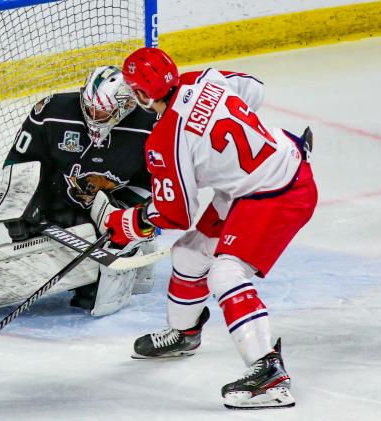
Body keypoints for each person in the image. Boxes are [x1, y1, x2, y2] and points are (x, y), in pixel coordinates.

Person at [98, 48, 317, 409]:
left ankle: (268, 375)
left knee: (226, 272)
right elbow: (253, 89)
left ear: (140, 94)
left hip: (280, 191)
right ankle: (185, 334)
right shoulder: (204, 78)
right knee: (189, 252)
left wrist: (131, 222)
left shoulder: (165, 141)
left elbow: (176, 213)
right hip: (269, 167)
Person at [0, 66, 159, 322]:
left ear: (124, 108)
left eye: (101, 111)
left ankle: (132, 257)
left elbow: (156, 181)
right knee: (40, 250)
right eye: (88, 106)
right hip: (56, 203)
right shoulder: (52, 111)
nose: (92, 114)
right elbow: (22, 161)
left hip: (110, 209)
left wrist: (126, 213)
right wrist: (19, 203)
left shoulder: (151, 126)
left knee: (92, 292)